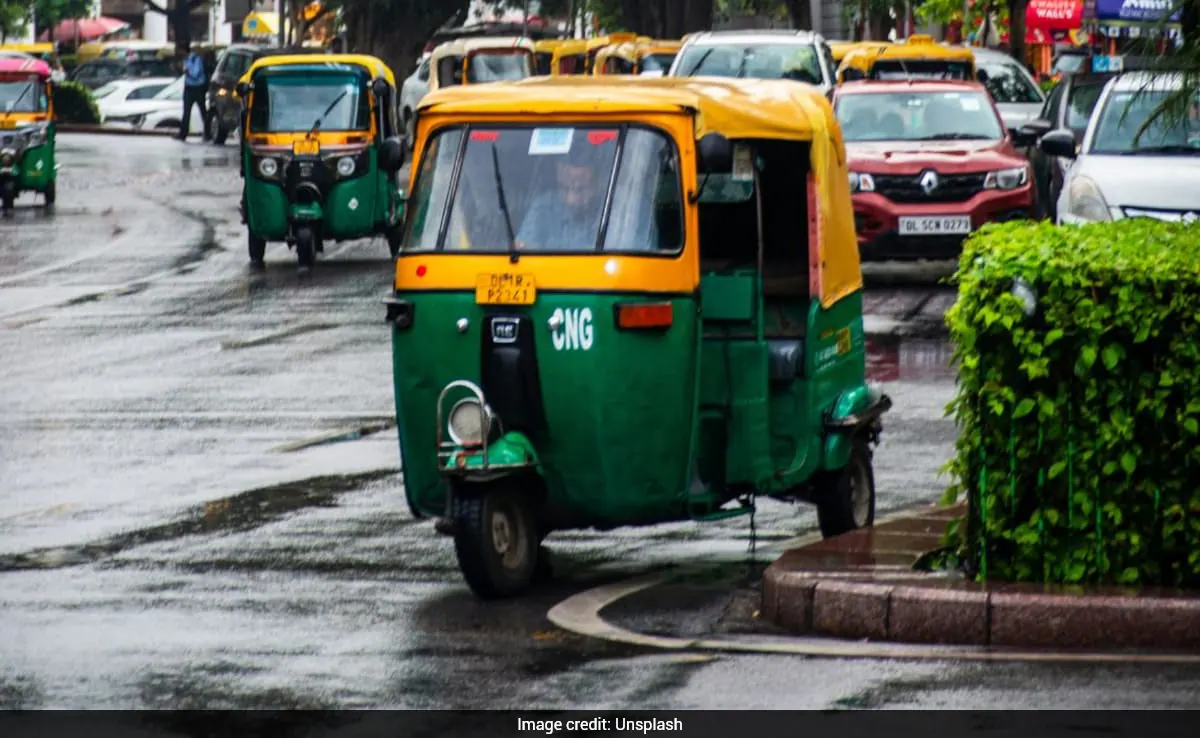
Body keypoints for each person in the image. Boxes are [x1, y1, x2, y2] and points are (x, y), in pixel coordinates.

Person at [515, 156, 605, 250]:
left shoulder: (612, 213)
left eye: (580, 189)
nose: (571, 200)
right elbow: (522, 249)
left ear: (598, 184)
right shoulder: (544, 208)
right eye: (564, 188)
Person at [177, 44, 210, 141]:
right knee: (186, 112)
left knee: (203, 111)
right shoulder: (185, 60)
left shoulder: (196, 59)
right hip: (188, 88)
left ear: (184, 50)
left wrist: (187, 71)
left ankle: (208, 133)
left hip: (198, 88)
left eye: (180, 51)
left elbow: (196, 74)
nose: (179, 53)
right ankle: (183, 134)